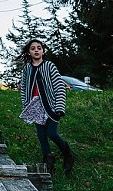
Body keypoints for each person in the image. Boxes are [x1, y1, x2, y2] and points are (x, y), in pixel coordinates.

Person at [18, 39, 74, 176]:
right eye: (32, 48)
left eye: (39, 48)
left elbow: (59, 86)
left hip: (51, 106)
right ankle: (48, 162)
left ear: (43, 51)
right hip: (35, 106)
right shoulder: (27, 69)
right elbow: (24, 88)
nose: (36, 50)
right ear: (29, 52)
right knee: (41, 135)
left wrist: (59, 107)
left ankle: (68, 155)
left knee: (51, 133)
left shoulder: (49, 66)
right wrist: (26, 106)